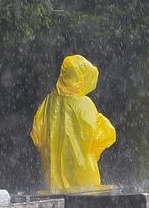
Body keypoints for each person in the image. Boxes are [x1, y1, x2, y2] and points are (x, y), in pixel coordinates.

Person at [30, 54, 117, 191]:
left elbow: (37, 134)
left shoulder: (48, 101)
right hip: (83, 176)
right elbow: (107, 134)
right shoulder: (85, 105)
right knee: (83, 206)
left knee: (59, 207)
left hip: (53, 178)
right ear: (81, 78)